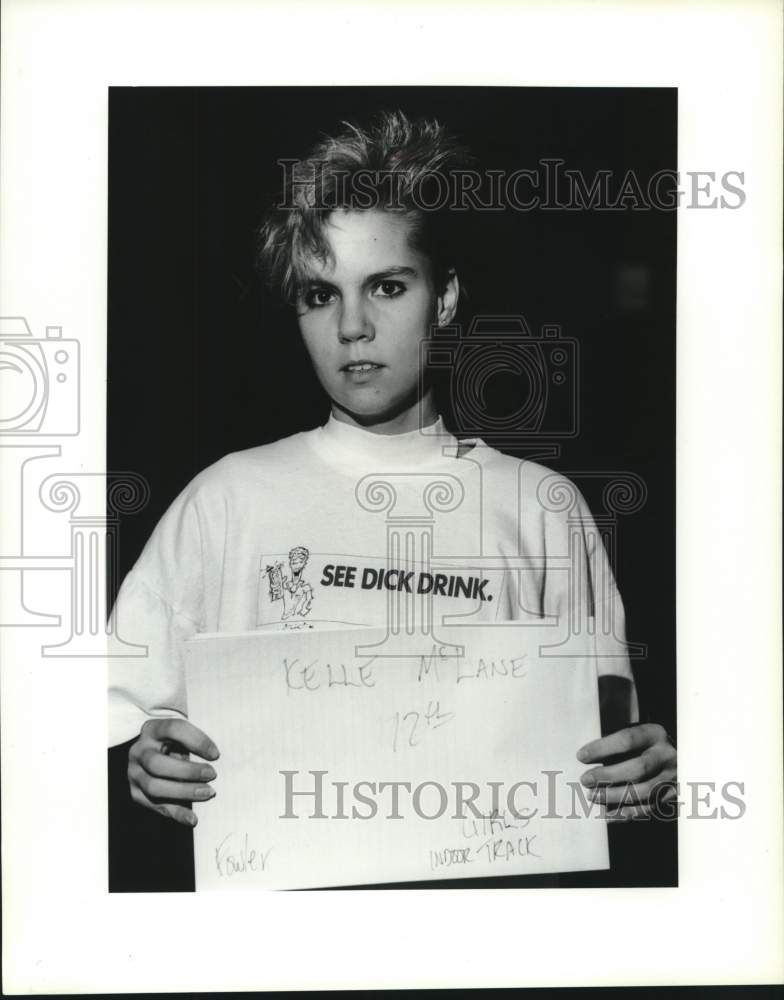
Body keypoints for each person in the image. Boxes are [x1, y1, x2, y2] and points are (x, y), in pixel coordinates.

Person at [109, 109, 676, 835]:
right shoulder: (225, 500)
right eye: (320, 295)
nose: (351, 328)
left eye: (386, 286)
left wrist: (649, 780)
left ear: (442, 297)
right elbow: (122, 714)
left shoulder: (542, 507)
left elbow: (606, 763)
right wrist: (146, 753)